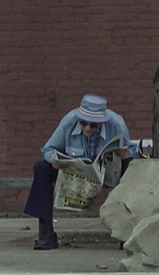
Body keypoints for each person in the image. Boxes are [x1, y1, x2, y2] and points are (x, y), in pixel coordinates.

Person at [24, 94, 136, 250]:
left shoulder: (116, 123)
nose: (88, 128)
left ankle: (125, 234)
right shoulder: (68, 121)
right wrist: (54, 160)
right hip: (75, 172)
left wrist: (126, 153)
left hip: (106, 173)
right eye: (84, 123)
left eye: (94, 125)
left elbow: (131, 150)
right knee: (41, 168)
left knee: (130, 166)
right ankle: (47, 234)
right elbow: (48, 149)